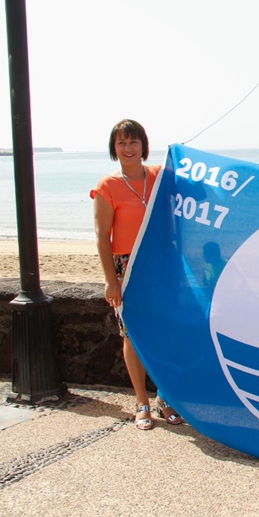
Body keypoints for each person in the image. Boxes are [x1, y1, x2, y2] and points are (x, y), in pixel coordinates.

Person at [90, 119, 183, 430]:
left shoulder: (159, 176)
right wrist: (110, 281)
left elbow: (197, 185)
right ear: (114, 149)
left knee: (165, 330)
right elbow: (103, 236)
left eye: (133, 142)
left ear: (144, 145)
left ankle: (165, 397)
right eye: (121, 143)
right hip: (126, 266)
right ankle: (141, 401)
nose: (127, 148)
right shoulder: (108, 187)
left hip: (162, 261)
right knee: (132, 334)